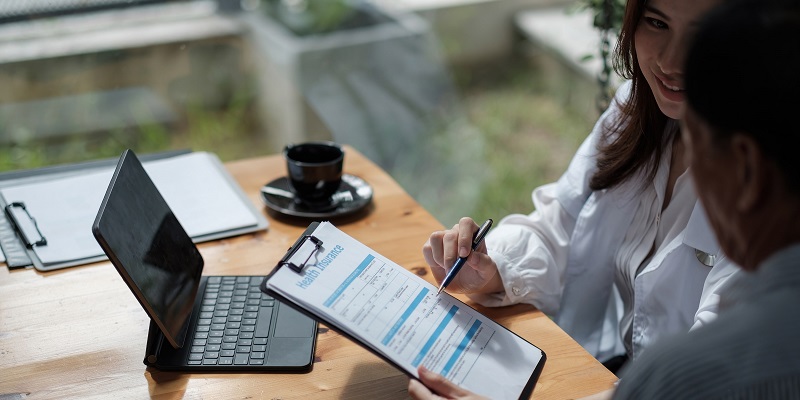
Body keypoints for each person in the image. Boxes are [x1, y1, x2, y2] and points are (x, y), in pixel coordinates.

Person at [409, 0, 800, 398]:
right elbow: (561, 222)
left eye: (701, 34)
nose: (671, 60)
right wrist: (491, 268)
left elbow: (700, 375)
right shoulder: (639, 110)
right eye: (656, 22)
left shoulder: (732, 342)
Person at [612, 0, 800, 397]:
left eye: (695, 147)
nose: (671, 61)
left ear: (746, 167)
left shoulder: (687, 375)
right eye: (657, 22)